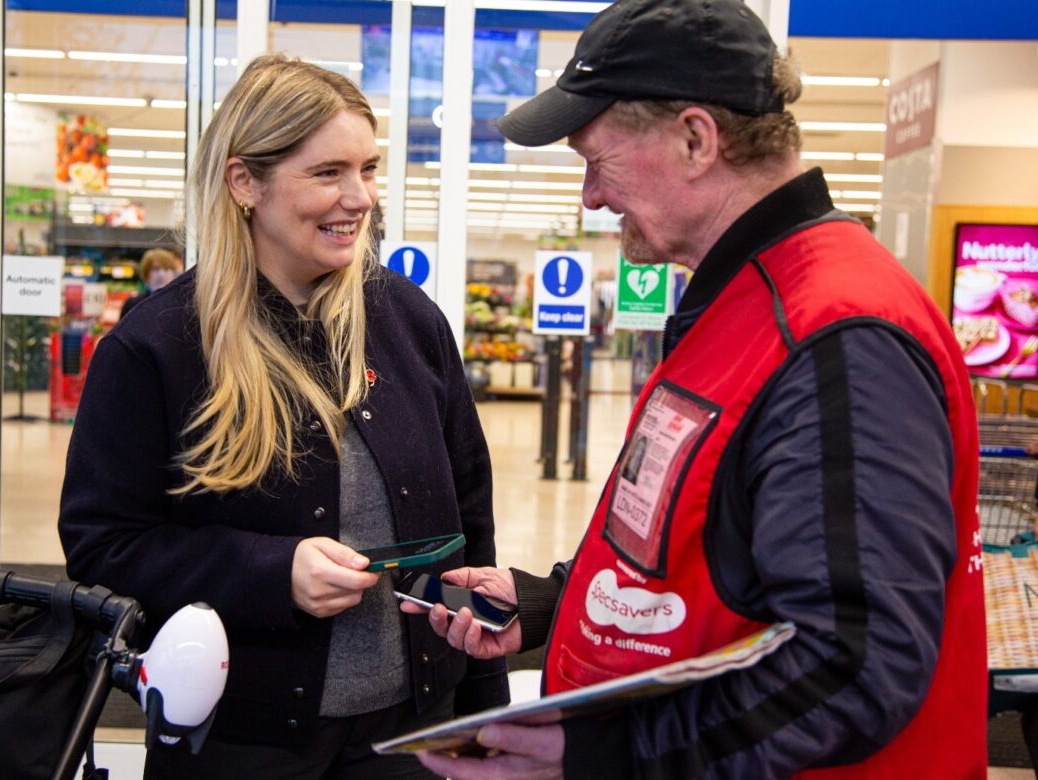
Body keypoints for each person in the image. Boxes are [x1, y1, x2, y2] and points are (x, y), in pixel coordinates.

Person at [406, 1, 986, 777]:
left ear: (694, 139)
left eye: (596, 160)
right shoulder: (743, 300)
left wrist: (611, 754)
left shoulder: (836, 335)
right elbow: (707, 554)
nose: (590, 197)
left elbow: (853, 664)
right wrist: (550, 607)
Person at [58, 53, 509, 778]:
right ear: (245, 183)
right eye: (328, 172)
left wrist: (483, 711)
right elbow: (104, 544)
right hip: (241, 738)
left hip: (412, 733)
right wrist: (272, 572)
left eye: (367, 169)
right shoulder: (158, 345)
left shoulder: (407, 321)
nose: (360, 197)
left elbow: (469, 521)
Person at [118, 247, 183, 320]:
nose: (161, 274)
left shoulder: (180, 306)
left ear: (173, 274)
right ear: (146, 273)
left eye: (166, 269)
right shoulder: (133, 305)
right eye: (156, 269)